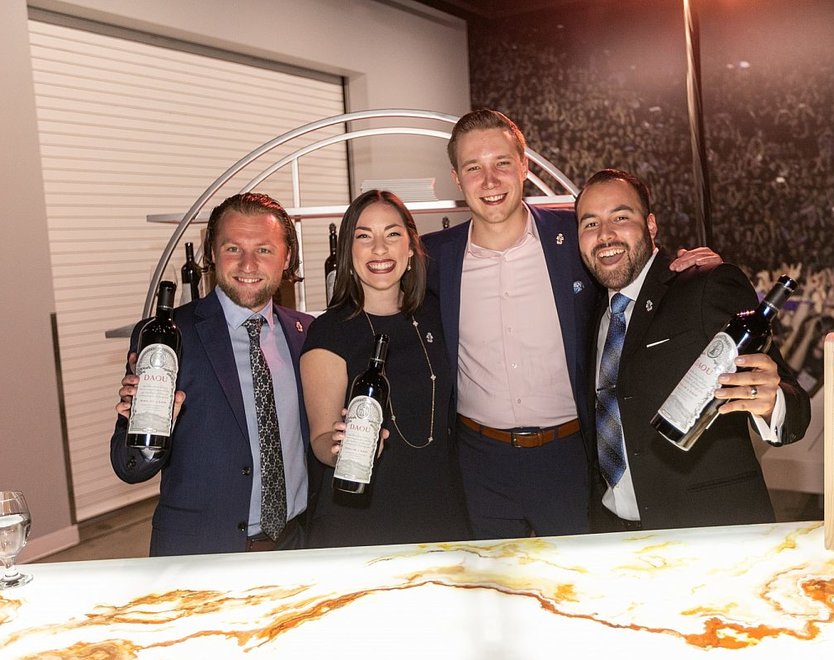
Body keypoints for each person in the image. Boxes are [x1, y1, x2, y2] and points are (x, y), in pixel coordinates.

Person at [422, 109, 719, 539]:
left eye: (502, 163)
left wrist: (689, 267)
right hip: (478, 461)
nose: (490, 181)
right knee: (492, 590)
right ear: (456, 177)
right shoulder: (434, 257)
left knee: (578, 582)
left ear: (523, 165)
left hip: (569, 457)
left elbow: (633, 261)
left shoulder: (575, 237)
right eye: (474, 168)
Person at [574, 169, 810, 532]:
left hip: (706, 529)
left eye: (621, 217)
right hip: (610, 534)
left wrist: (770, 402)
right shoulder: (588, 310)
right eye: (590, 224)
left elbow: (792, 403)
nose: (605, 235)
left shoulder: (704, 284)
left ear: (651, 225)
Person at [111, 192, 315, 556]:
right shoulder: (169, 337)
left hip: (296, 546)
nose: (248, 264)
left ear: (287, 258)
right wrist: (148, 430)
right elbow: (131, 468)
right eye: (233, 248)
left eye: (264, 250)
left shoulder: (308, 333)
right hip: (199, 554)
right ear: (212, 256)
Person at [299, 190, 469, 547]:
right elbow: (320, 438)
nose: (379, 249)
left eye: (392, 234)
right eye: (364, 236)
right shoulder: (330, 331)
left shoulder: (438, 315)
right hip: (360, 520)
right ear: (348, 253)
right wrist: (340, 448)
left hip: (442, 511)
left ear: (410, 248)